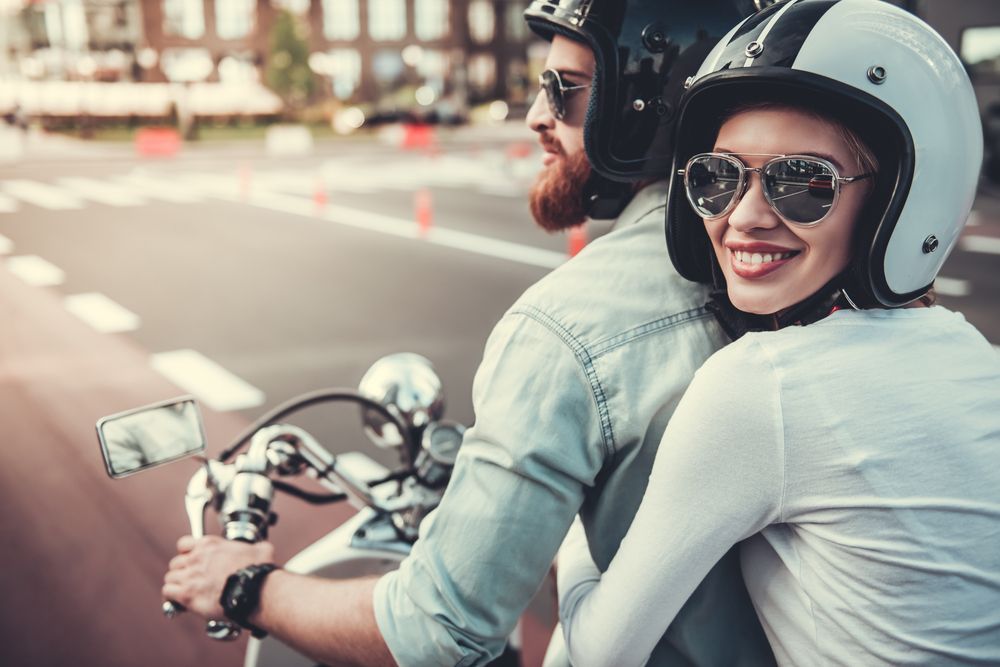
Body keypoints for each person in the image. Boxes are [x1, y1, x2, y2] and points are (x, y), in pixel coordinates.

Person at [161, 2, 777, 665]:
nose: (538, 115)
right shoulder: (797, 266)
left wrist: (244, 584)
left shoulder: (569, 328)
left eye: (563, 91)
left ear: (644, 104)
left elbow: (438, 633)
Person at [555, 2, 1000, 665]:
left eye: (803, 183)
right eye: (715, 176)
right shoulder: (973, 355)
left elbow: (599, 651)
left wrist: (572, 528)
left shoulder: (763, 386)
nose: (745, 216)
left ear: (897, 201)